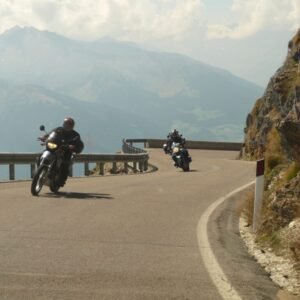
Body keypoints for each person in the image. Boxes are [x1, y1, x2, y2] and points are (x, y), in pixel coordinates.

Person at [40, 117, 84, 185]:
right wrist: (44, 137)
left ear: (72, 126)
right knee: (42, 153)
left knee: (65, 163)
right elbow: (50, 134)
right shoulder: (58, 129)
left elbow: (80, 145)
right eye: (65, 124)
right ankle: (40, 168)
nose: (66, 126)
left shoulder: (75, 135)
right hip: (55, 147)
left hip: (66, 151)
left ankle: (61, 180)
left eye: (68, 124)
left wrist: (74, 147)